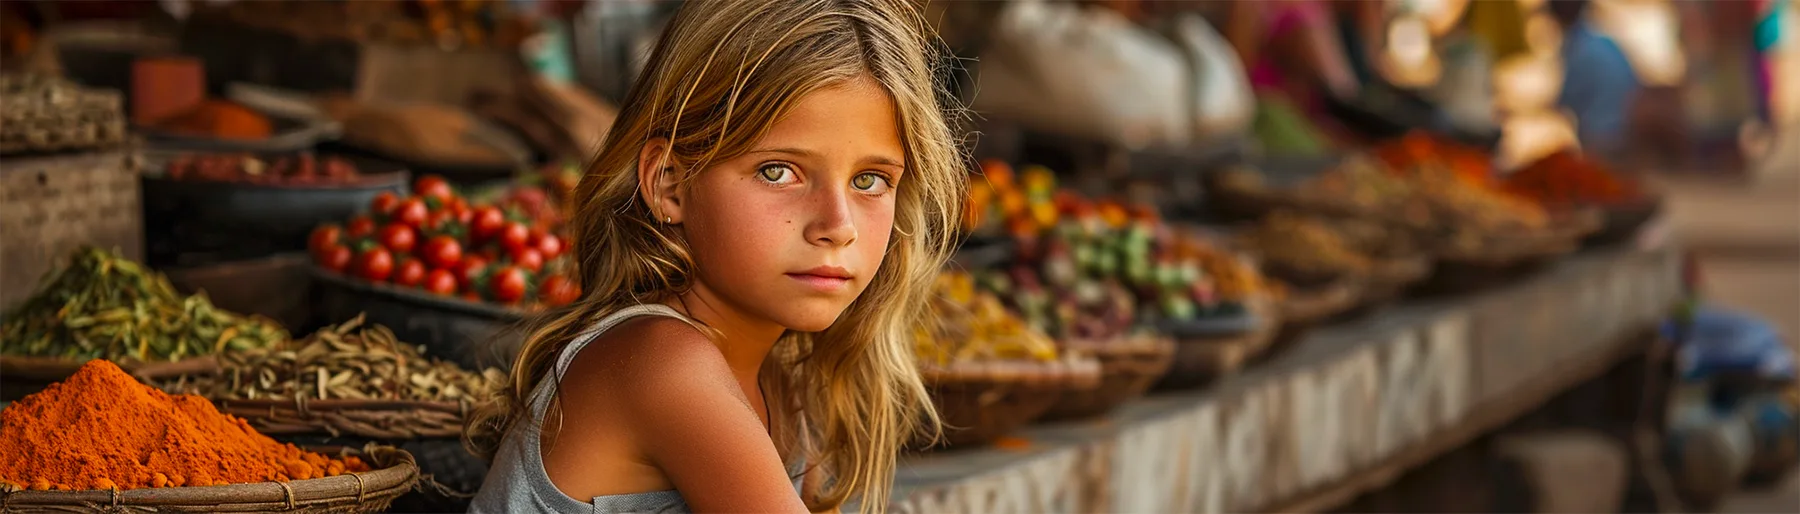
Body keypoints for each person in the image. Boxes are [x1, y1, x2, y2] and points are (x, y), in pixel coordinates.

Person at [463, 0, 965, 511]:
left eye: (870, 180)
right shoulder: (665, 364)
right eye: (777, 171)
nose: (838, 227)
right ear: (670, 184)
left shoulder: (782, 381)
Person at [1550, 0, 1640, 159]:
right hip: (1626, 128)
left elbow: (1566, 99)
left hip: (1605, 136)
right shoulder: (1600, 40)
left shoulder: (1579, 48)